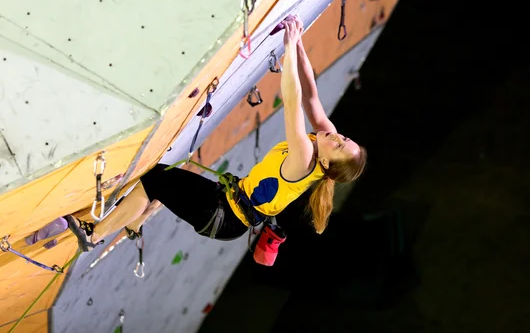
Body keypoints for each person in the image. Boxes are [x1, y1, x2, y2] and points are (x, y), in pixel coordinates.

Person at [66, 15, 367, 252]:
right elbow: (310, 96)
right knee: (166, 178)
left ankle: (95, 234)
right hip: (226, 201)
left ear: (326, 164)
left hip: (223, 217)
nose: (338, 138)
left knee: (156, 179)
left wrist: (288, 48)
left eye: (339, 146)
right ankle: (135, 221)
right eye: (345, 139)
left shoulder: (304, 159)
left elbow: (292, 100)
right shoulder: (326, 138)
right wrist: (298, 43)